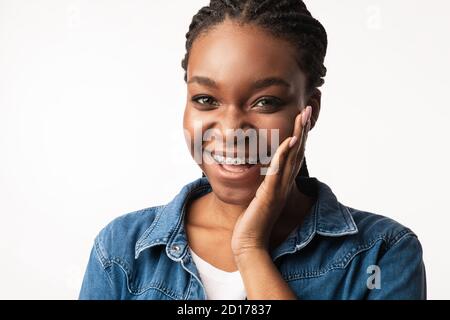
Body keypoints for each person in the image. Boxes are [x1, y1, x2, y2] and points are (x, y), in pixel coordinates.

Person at [79, 0, 426, 300]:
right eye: (205, 100)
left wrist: (250, 249)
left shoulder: (383, 253)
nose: (231, 130)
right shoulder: (122, 253)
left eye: (265, 102)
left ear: (310, 112)